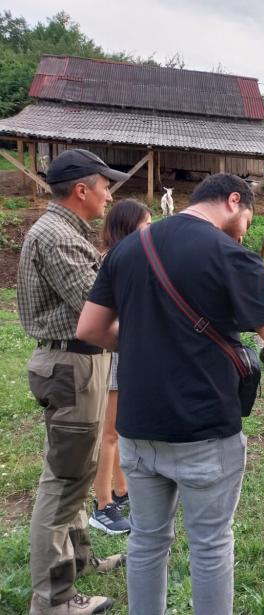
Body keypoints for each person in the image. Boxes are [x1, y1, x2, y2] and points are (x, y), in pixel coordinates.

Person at [75, 173, 264, 615]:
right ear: (232, 200)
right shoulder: (231, 255)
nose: (248, 226)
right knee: (209, 547)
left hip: (137, 430)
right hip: (204, 429)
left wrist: (145, 340)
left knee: (147, 541)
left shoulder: (129, 248)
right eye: (249, 215)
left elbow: (89, 329)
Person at [18, 149, 129, 615]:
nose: (109, 194)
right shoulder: (57, 237)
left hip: (80, 363)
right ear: (81, 189)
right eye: (105, 185)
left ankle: (79, 559)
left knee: (77, 470)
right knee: (63, 484)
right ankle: (54, 599)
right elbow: (96, 305)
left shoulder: (65, 232)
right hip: (72, 366)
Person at [90, 200, 152, 536]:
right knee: (111, 432)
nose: (150, 232)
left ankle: (121, 487)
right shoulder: (115, 262)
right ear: (129, 228)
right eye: (146, 224)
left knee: (117, 430)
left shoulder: (121, 259)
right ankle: (102, 504)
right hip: (114, 351)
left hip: (119, 349)